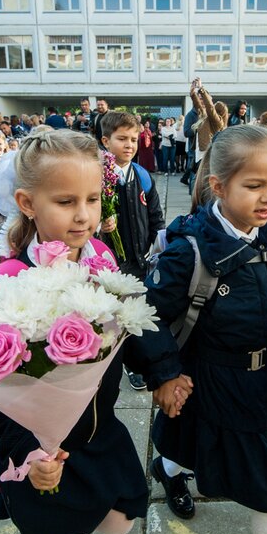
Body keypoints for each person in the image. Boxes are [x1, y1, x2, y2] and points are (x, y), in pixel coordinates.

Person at [0, 128, 191, 534]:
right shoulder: (9, 283)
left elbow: (132, 322)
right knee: (66, 530)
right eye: (66, 202)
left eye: (92, 199)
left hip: (96, 429)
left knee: (120, 518)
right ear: (27, 204)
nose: (84, 215)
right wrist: (27, 450)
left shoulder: (102, 257)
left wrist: (164, 372)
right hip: (45, 447)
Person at [131, 125, 267, 534]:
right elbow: (145, 316)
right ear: (219, 186)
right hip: (205, 378)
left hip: (263, 380)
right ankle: (168, 471)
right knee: (186, 441)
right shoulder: (188, 251)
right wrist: (165, 373)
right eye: (254, 185)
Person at [98, 112, 166, 392]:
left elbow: (155, 216)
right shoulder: (98, 176)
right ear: (105, 141)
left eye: (134, 139)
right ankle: (115, 361)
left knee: (136, 312)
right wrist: (100, 225)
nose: (129, 145)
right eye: (121, 139)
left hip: (139, 259)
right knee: (111, 316)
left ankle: (136, 362)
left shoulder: (142, 176)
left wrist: (156, 245)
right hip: (109, 262)